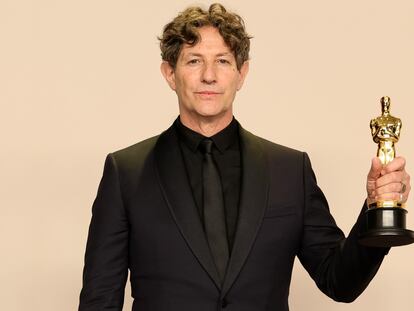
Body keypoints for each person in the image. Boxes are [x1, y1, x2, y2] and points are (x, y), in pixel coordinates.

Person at [78, 3, 411, 311]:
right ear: (169, 73)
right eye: (194, 60)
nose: (209, 75)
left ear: (242, 74)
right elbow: (99, 300)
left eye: (223, 61)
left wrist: (376, 210)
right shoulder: (126, 172)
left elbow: (340, 282)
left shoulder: (290, 170)